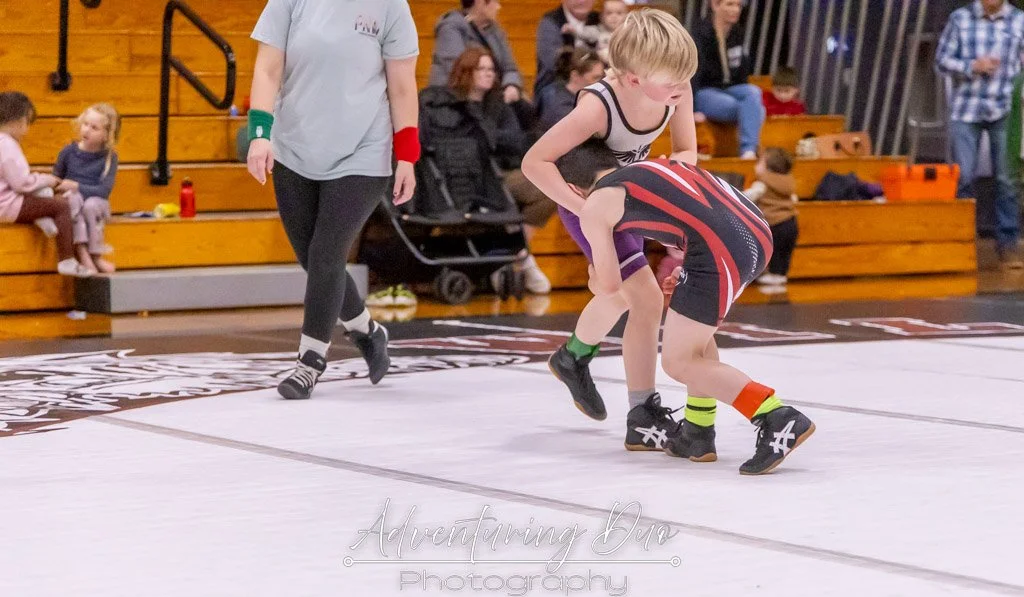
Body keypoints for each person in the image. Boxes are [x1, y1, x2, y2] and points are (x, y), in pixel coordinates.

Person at [562, 140, 816, 475]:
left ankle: (776, 416)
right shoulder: (650, 168)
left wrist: (594, 275)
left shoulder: (596, 203)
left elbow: (610, 287)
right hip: (756, 230)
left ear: (571, 189)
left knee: (678, 361)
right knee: (695, 340)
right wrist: (690, 273)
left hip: (718, 247)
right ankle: (696, 431)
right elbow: (698, 216)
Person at [522, 8, 701, 452]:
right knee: (645, 297)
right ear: (635, 78)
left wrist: (666, 178)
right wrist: (585, 208)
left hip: (627, 196)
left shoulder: (675, 84)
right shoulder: (596, 107)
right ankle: (642, 411)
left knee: (619, 292)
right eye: (671, 81)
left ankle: (573, 357)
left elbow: (686, 150)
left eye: (685, 78)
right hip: (586, 198)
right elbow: (534, 163)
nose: (680, 89)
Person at [246, 0, 420, 400]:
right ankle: (367, 331)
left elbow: (402, 86)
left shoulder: (392, 6)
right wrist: (260, 132)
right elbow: (267, 68)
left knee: (327, 252)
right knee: (313, 258)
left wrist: (407, 156)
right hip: (294, 147)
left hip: (364, 151)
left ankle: (310, 361)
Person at [936, 0, 1024, 269]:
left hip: (1005, 109)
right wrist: (972, 66)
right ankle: (961, 244)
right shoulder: (960, 19)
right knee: (963, 176)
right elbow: (941, 60)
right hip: (967, 108)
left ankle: (1008, 245)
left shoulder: (1019, 21)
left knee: (1007, 178)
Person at [0, 91, 93, 278]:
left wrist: (41, 181)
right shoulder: (7, 144)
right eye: (27, 124)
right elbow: (21, 183)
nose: (26, 131)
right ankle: (67, 259)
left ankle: (43, 220)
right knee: (61, 206)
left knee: (42, 191)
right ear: (19, 121)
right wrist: (47, 179)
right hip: (6, 205)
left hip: (6, 201)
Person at [692, 0, 765, 158]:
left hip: (731, 87)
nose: (736, 10)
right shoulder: (700, 33)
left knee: (754, 92)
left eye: (738, 5)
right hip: (705, 91)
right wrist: (693, 109)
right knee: (756, 110)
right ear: (715, 5)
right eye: (730, 4)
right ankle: (748, 148)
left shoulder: (737, 32)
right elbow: (693, 74)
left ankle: (748, 151)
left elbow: (742, 70)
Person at [54, 102, 121, 274]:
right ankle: (82, 250)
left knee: (90, 205)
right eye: (85, 124)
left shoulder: (109, 157)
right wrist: (63, 187)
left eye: (94, 127)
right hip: (73, 201)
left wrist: (77, 186)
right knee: (73, 199)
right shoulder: (68, 152)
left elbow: (104, 190)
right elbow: (56, 179)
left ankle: (96, 256)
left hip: (96, 204)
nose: (86, 130)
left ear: (106, 135)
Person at [429, 0, 523, 105]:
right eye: (495, 2)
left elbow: (510, 67)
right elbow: (458, 70)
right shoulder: (450, 28)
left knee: (523, 109)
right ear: (480, 2)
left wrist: (511, 85)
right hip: (456, 100)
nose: (498, 7)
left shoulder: (495, 31)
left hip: (492, 96)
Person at [745, 147, 798, 288]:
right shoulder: (789, 182)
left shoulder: (763, 183)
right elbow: (794, 198)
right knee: (785, 251)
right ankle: (781, 274)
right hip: (791, 222)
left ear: (768, 168)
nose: (756, 166)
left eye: (759, 163)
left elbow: (751, 195)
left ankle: (772, 274)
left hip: (774, 223)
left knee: (772, 250)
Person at [534, 0, 601, 95]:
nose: (582, 1)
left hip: (598, 85)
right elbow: (552, 63)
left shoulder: (602, 20)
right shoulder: (551, 21)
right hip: (557, 85)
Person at [535, 49, 606, 131]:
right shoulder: (559, 107)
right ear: (575, 75)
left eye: (602, 77)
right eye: (595, 78)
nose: (601, 83)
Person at [560, 0, 628, 65]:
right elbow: (583, 33)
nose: (614, 17)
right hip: (600, 63)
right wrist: (573, 30)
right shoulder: (597, 30)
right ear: (601, 17)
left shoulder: (628, 33)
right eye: (609, 13)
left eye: (619, 13)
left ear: (626, 16)